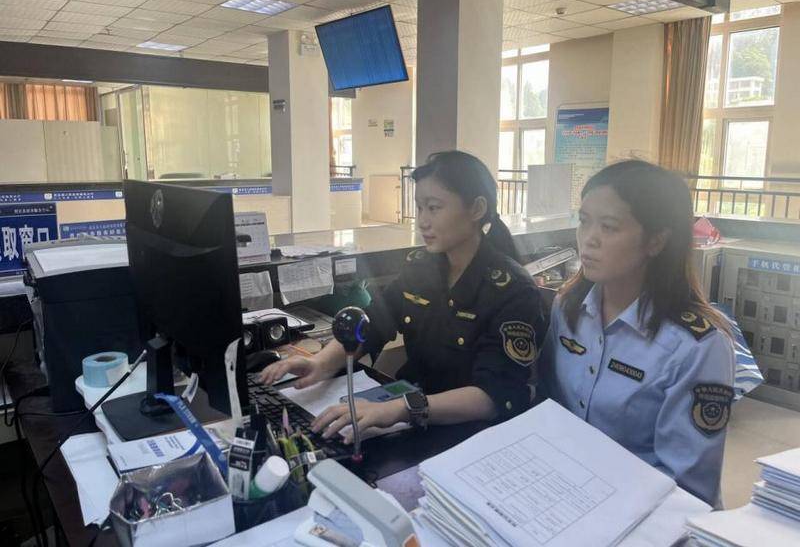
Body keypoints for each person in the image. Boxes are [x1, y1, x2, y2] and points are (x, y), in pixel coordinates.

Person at [261, 150, 546, 441]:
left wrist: (400, 409)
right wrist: (320, 363)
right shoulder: (421, 267)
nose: (422, 221)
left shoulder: (513, 290)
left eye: (434, 208)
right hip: (411, 414)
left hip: (471, 433)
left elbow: (492, 396)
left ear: (476, 209)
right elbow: (373, 323)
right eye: (419, 207)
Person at [541, 160, 735, 507]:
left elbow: (687, 486)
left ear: (656, 241)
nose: (589, 239)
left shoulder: (697, 346)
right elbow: (549, 411)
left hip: (645, 514)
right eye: (584, 221)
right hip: (564, 494)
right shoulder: (568, 308)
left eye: (609, 227)